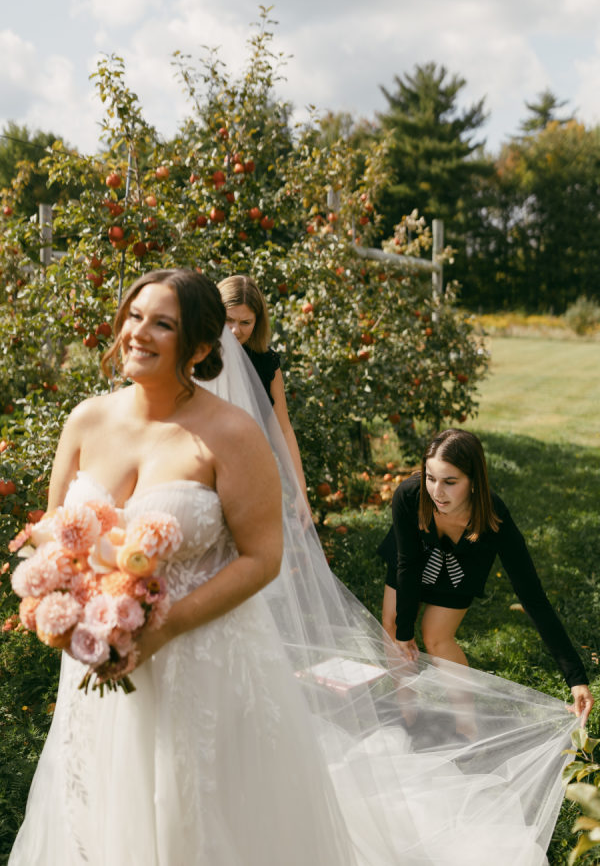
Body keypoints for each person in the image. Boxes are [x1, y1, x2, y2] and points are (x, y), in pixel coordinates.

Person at [8, 271, 588, 865]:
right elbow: (57, 532)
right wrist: (62, 601)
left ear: (202, 346)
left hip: (197, 657)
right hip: (97, 656)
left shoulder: (232, 434)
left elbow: (263, 558)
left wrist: (162, 626)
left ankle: (446, 727)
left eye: (162, 323)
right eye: (134, 315)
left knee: (199, 818)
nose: (138, 332)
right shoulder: (85, 420)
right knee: (102, 811)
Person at [379, 428, 594, 725]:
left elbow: (532, 596)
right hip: (411, 560)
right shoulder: (409, 495)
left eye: (450, 482)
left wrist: (576, 678)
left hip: (461, 569)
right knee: (392, 627)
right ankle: (408, 717)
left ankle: (467, 725)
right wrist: (404, 630)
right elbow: (408, 563)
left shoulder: (495, 518)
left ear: (473, 481)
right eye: (430, 478)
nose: (437, 492)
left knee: (436, 637)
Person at [217, 274, 309, 508]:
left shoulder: (266, 364)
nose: (235, 330)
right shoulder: (195, 357)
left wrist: (300, 490)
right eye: (228, 320)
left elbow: (283, 429)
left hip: (248, 474)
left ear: (257, 322)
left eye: (245, 322)